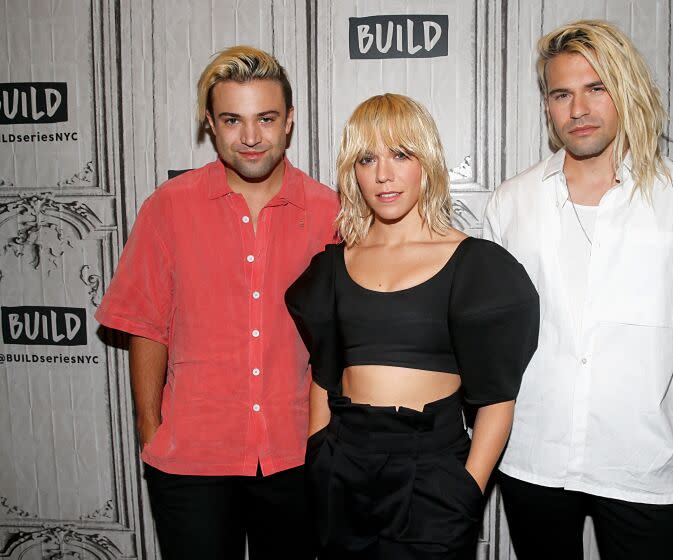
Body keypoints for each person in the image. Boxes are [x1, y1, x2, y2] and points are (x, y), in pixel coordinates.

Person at [484, 20, 673, 560]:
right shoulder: (512, 203)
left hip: (643, 461)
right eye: (562, 93)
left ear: (627, 89)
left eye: (596, 87)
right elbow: (492, 339)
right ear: (548, 105)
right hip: (535, 455)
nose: (578, 108)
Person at [95, 46, 338, 560]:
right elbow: (146, 325)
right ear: (210, 123)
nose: (250, 137)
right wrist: (151, 432)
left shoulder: (329, 213)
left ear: (289, 121)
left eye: (266, 118)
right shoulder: (168, 208)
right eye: (232, 120)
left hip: (296, 455)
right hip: (190, 459)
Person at [285, 93, 539, 560]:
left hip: (432, 468)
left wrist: (466, 490)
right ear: (352, 172)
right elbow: (323, 372)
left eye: (401, 154)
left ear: (427, 162)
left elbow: (497, 399)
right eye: (367, 158)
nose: (383, 173)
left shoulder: (478, 267)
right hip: (342, 463)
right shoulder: (333, 266)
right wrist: (319, 454)